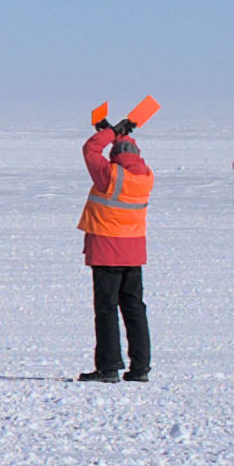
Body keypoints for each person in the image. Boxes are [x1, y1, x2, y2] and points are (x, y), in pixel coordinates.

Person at [77, 104, 154, 381]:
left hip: (107, 253)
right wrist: (120, 133)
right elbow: (127, 153)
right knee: (135, 309)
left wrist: (108, 132)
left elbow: (90, 150)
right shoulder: (145, 177)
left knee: (106, 310)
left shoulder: (108, 175)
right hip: (133, 253)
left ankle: (108, 367)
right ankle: (140, 368)